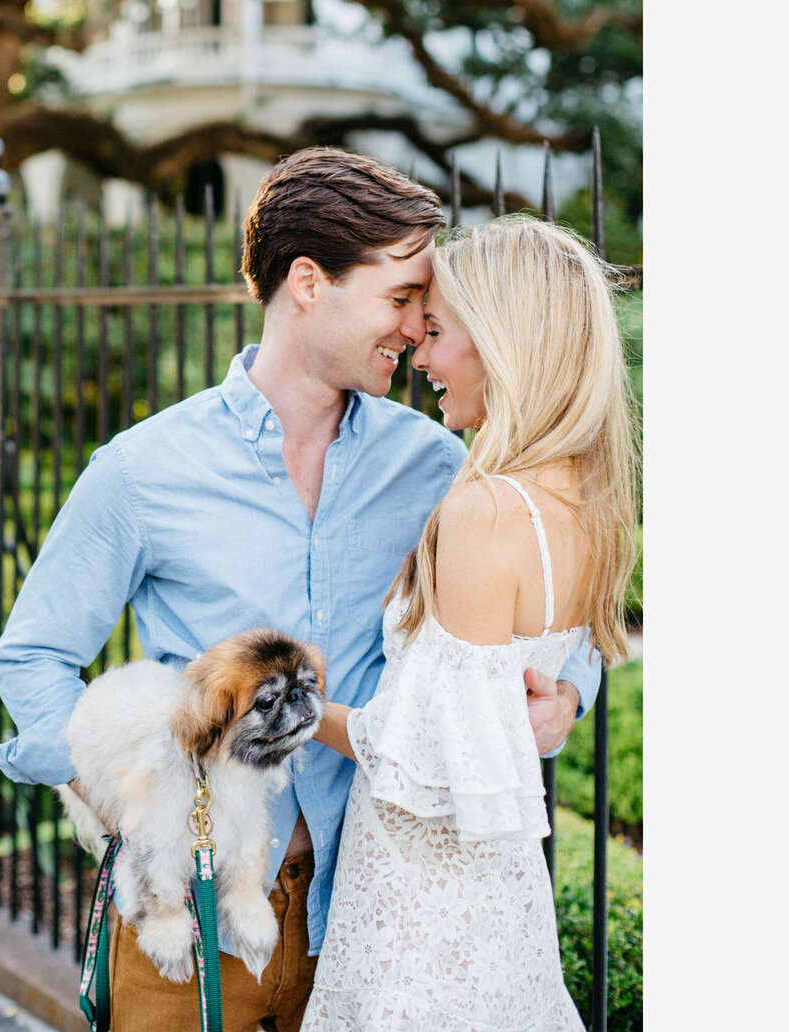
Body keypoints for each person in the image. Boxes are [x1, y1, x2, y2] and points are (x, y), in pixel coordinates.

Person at [0, 149, 602, 1032]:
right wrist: (125, 795)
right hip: (193, 916)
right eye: (400, 300)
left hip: (368, 918)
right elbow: (34, 657)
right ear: (308, 283)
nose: (415, 329)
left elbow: (557, 606)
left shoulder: (438, 467)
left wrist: (567, 696)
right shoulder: (144, 470)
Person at [301, 215, 638, 1031]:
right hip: (501, 907)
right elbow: (509, 707)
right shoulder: (588, 507)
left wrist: (289, 704)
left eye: (439, 332)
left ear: (500, 342)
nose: (420, 356)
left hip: (421, 915)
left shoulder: (485, 510)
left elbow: (421, 754)